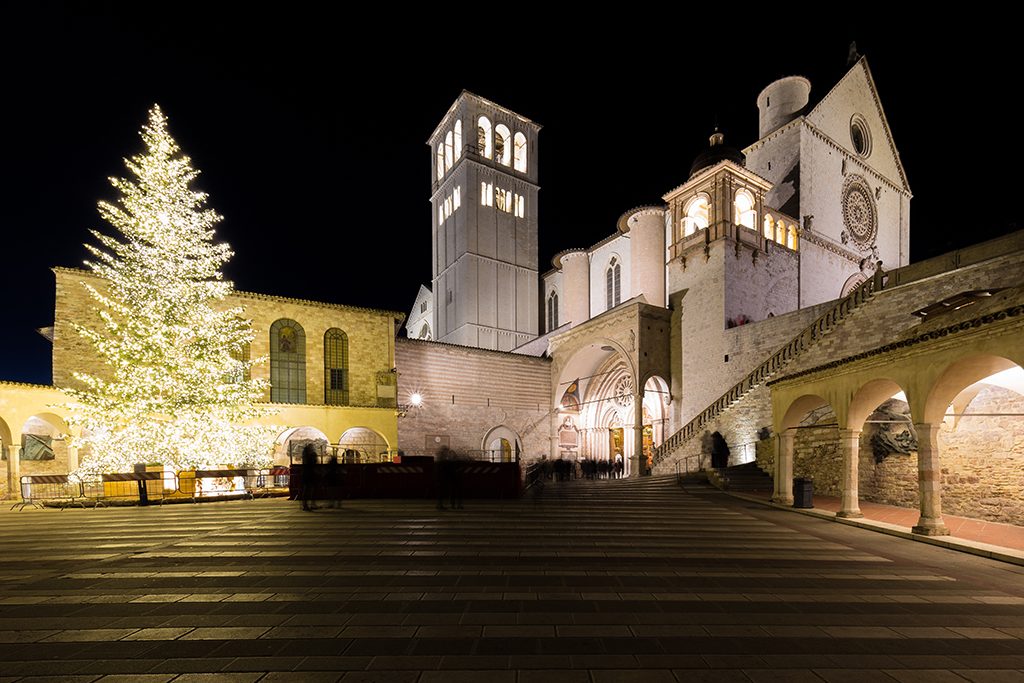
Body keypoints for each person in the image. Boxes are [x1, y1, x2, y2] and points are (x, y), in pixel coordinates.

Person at [300, 443, 318, 511]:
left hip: (307, 474)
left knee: (308, 489)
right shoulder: (309, 456)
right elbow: (313, 463)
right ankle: (306, 505)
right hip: (309, 474)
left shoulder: (306, 456)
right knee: (308, 489)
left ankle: (307, 504)